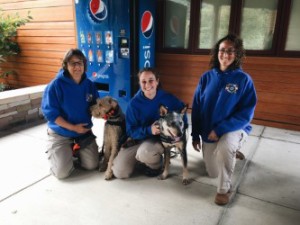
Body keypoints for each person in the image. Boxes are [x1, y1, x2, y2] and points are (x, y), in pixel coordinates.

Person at [191, 34, 257, 205]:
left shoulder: (243, 80)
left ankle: (224, 189)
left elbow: (246, 113)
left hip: (232, 129)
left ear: (237, 54)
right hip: (209, 131)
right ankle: (230, 152)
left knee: (226, 147)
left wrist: (220, 129)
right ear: (216, 52)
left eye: (230, 51)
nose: (225, 54)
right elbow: (197, 107)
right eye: (222, 50)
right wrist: (195, 134)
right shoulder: (206, 77)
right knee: (213, 172)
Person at [112, 67, 188, 178]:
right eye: (143, 81)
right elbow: (130, 131)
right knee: (120, 172)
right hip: (139, 139)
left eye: (151, 80)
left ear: (157, 81)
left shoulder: (168, 98)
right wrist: (149, 130)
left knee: (146, 153)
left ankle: (156, 164)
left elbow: (183, 113)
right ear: (139, 83)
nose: (147, 84)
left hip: (160, 140)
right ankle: (144, 159)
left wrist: (181, 129)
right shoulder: (133, 104)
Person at [42, 48, 100, 179]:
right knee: (62, 173)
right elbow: (51, 115)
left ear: (84, 64)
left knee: (91, 165)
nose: (77, 66)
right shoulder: (55, 85)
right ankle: (57, 154)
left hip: (83, 133)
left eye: (80, 62)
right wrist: (73, 128)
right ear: (65, 65)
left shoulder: (89, 85)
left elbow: (96, 107)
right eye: (72, 63)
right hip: (60, 133)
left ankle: (74, 152)